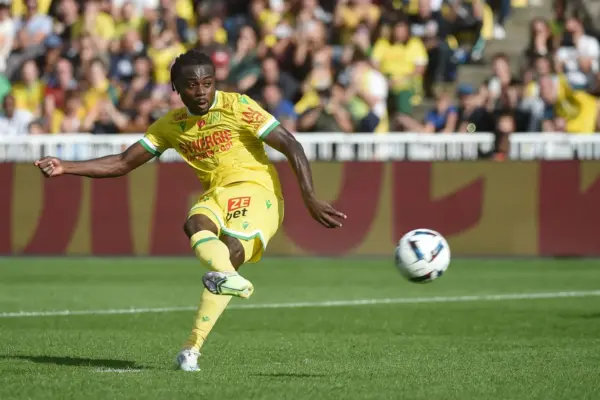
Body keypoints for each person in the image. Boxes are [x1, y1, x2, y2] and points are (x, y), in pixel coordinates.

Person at [33, 50, 346, 372]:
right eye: (192, 85)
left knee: (230, 252)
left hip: (258, 191)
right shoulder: (171, 125)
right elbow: (123, 162)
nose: (201, 91)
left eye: (207, 83)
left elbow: (290, 144)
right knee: (195, 224)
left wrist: (309, 196)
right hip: (217, 193)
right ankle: (225, 290)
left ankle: (192, 346)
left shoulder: (238, 106)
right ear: (176, 87)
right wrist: (66, 166)